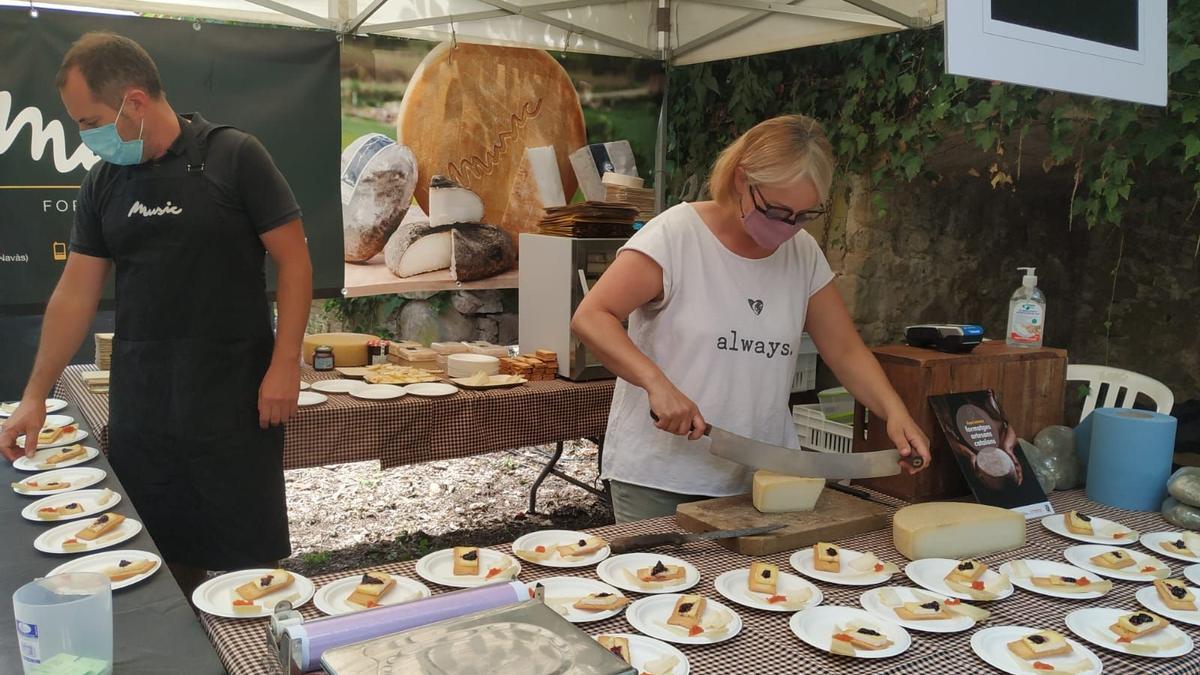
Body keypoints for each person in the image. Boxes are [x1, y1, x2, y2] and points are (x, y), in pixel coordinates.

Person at [0, 33, 312, 594]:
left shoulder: (235, 157)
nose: (85, 136)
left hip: (235, 397)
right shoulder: (104, 182)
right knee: (156, 556)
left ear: (135, 103)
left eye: (88, 120)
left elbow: (295, 262)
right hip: (144, 401)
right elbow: (74, 294)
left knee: (251, 562)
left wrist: (285, 363)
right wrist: (34, 394)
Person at [571, 114, 931, 522]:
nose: (788, 229)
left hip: (766, 479)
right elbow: (592, 316)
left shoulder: (804, 254)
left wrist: (894, 411)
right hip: (662, 476)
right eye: (777, 211)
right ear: (742, 179)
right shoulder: (675, 236)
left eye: (804, 216)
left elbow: (846, 350)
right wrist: (656, 384)